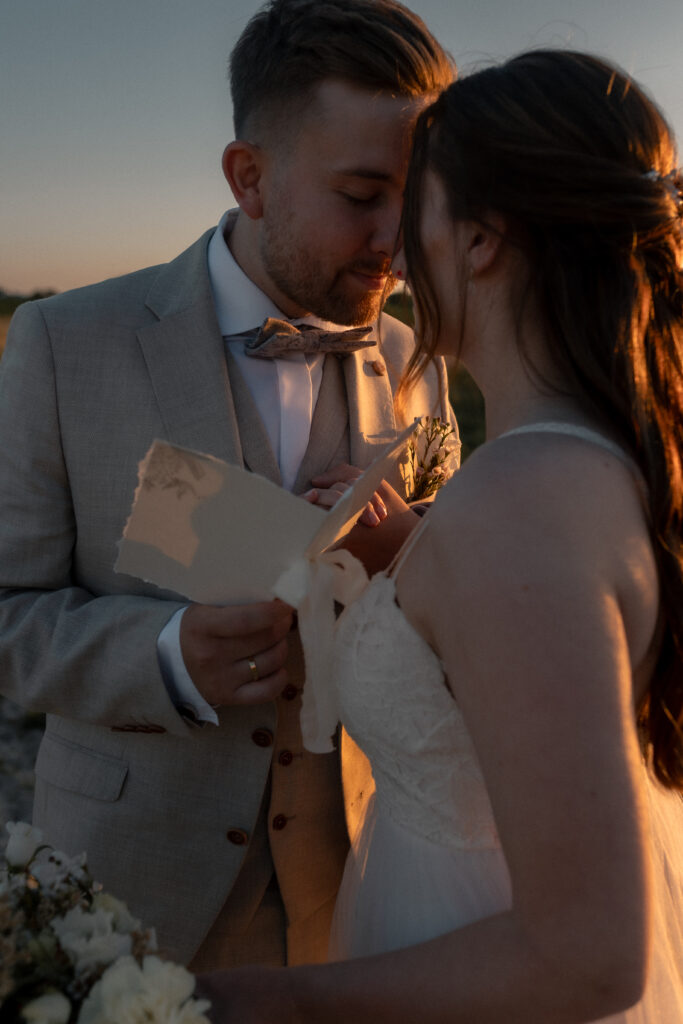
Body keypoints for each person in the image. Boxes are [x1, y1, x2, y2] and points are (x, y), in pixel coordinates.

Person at [198, 49, 683, 1022]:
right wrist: (410, 549)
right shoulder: (608, 455)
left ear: (480, 239)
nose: (390, 244)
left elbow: (588, 957)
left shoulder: (517, 501)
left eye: (411, 203)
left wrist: (280, 1002)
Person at [0, 0, 455, 970]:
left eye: (415, 197)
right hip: (131, 897)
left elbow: (446, 598)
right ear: (248, 177)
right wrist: (164, 655)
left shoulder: (413, 357)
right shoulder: (62, 343)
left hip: (356, 890)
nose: (397, 237)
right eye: (361, 194)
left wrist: (411, 545)